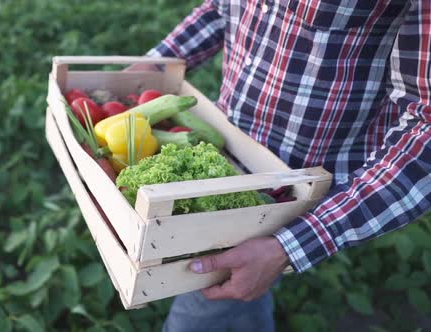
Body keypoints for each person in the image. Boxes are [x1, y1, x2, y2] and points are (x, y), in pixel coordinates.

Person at [130, 1, 431, 331]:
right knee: (241, 293)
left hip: (293, 192)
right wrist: (148, 71)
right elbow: (222, 8)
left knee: (195, 313)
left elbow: (425, 129)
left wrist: (290, 245)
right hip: (227, 148)